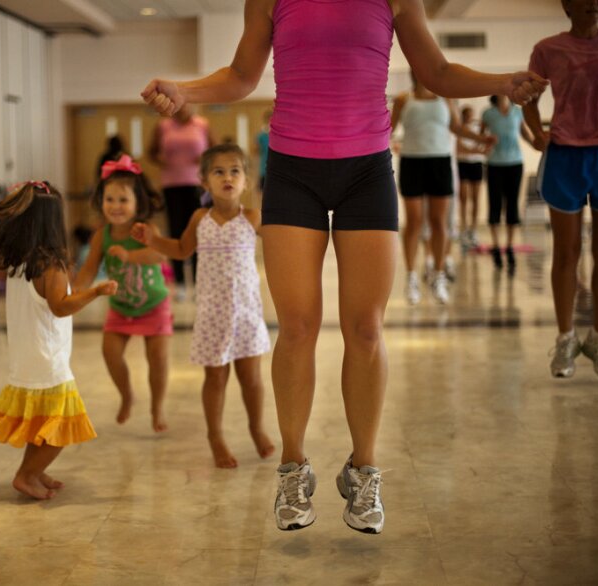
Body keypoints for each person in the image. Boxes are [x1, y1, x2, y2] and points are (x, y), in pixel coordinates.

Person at [141, 0, 546, 534]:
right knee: (299, 326)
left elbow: (437, 72)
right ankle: (293, 468)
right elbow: (243, 76)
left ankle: (363, 470)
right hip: (293, 172)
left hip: (367, 171)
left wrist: (506, 80)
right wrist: (186, 90)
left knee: (365, 327)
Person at [132, 144, 275, 468]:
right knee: (215, 379)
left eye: (235, 171)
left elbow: (283, 246)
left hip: (247, 314)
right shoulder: (200, 218)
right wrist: (154, 240)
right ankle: (215, 436)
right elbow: (182, 249)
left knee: (252, 379)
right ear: (204, 182)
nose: (228, 177)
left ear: (247, 180)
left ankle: (257, 427)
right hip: (212, 315)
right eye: (218, 171)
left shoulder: (253, 218)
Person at [0, 181, 117, 500]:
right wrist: (94, 293)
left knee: (40, 423)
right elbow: (60, 306)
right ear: (53, 222)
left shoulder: (19, 261)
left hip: (27, 357)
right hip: (48, 361)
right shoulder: (50, 264)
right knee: (58, 430)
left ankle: (34, 470)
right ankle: (26, 475)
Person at [524, 0, 598, 379]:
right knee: (566, 251)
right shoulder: (547, 49)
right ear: (567, 5)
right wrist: (537, 132)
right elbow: (529, 96)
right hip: (566, 156)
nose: (593, 4)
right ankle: (566, 338)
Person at [74, 155, 172, 432]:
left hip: (154, 304)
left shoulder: (145, 230)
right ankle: (127, 395)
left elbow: (159, 256)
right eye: (110, 199)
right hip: (121, 306)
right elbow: (88, 269)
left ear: (138, 203)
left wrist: (129, 255)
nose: (115, 206)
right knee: (110, 352)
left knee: (158, 359)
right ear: (101, 202)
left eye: (123, 200)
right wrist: (76, 292)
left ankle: (157, 406)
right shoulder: (101, 235)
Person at [391, 73, 493, 305]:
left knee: (439, 222)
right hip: (412, 162)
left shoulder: (445, 99)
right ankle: (411, 276)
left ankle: (438, 275)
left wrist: (481, 139)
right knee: (415, 221)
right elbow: (388, 128)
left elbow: (457, 128)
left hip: (440, 162)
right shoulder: (403, 99)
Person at [147, 104, 214, 299]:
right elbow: (151, 151)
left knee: (198, 232)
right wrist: (162, 160)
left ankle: (198, 280)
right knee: (176, 231)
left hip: (197, 184)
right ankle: (180, 283)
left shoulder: (202, 124)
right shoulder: (163, 126)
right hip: (171, 184)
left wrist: (204, 160)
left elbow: (216, 150)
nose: (183, 110)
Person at [482, 95, 534, 275]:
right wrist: (485, 143)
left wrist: (538, 143)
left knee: (512, 204)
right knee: (495, 204)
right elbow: (481, 136)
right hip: (495, 164)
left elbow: (525, 133)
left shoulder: (517, 112)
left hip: (515, 163)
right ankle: (496, 246)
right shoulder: (488, 114)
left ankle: (510, 246)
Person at [455, 106, 487, 250]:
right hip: (462, 164)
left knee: (475, 199)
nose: (470, 117)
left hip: (476, 164)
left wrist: (482, 129)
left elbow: (482, 143)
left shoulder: (477, 129)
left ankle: (473, 230)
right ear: (463, 116)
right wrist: (474, 150)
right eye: (467, 114)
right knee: (463, 199)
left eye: (471, 114)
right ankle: (464, 229)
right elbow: (459, 147)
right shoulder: (459, 130)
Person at [255, 109, 272, 193]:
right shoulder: (261, 136)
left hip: (276, 170)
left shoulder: (280, 136)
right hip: (264, 170)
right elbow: (256, 152)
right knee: (263, 194)